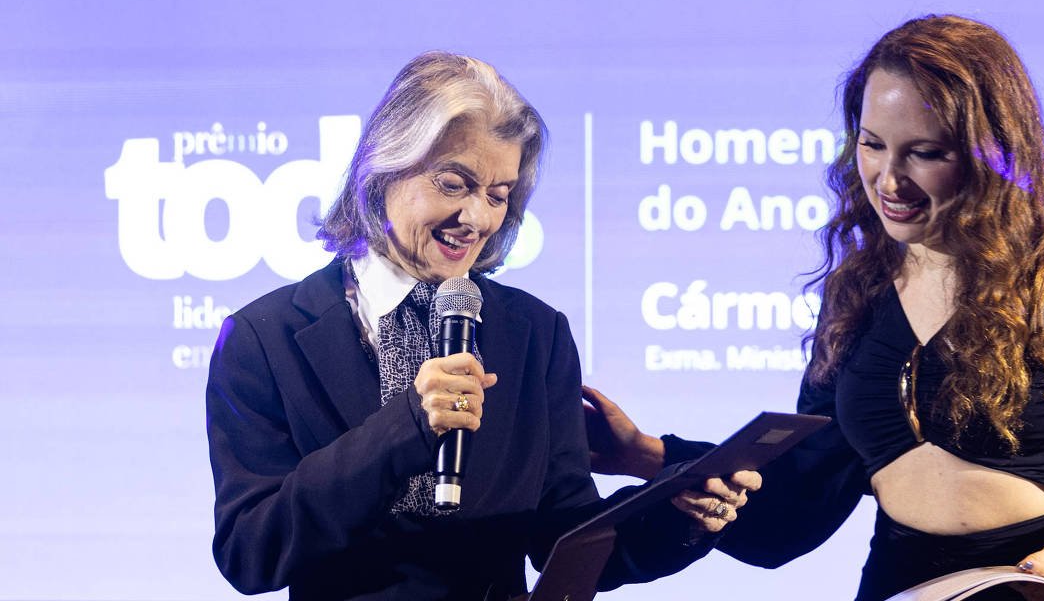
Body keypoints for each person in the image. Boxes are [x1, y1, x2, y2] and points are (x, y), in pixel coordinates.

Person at [585, 15, 1044, 600]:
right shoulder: (859, 291)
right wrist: (648, 454)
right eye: (873, 145)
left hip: (1040, 587)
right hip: (899, 585)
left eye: (925, 153)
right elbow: (802, 496)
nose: (888, 180)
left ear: (992, 149)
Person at [205, 52, 759, 600]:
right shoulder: (265, 337)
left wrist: (677, 515)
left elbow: (564, 536)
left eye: (498, 196)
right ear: (384, 167)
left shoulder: (535, 334)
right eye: (454, 183)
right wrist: (406, 429)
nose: (476, 219)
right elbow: (250, 553)